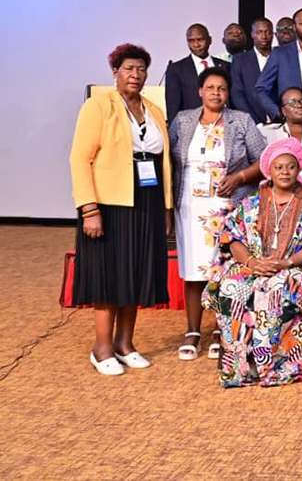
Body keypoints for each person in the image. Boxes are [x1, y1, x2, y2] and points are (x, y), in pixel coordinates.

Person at [70, 44, 173, 375]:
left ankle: (125, 343)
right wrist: (89, 208)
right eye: (129, 68)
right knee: (109, 274)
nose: (136, 75)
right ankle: (101, 348)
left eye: (141, 69)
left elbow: (165, 161)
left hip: (148, 200)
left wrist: (167, 209)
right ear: (115, 72)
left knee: (138, 271)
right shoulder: (98, 106)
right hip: (109, 204)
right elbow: (79, 158)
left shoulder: (154, 109)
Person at [203, 138, 302, 387]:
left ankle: (276, 365)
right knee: (232, 286)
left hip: (297, 267)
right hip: (253, 266)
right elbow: (232, 239)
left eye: (291, 166)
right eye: (279, 167)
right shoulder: (252, 201)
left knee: (275, 289)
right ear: (269, 171)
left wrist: (286, 263)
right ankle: (241, 366)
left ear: (299, 169)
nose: (285, 172)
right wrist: (252, 263)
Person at [169, 66, 266, 361]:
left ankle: (219, 329)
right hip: (190, 205)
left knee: (224, 268)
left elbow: (264, 160)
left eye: (221, 88)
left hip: (229, 206)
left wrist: (239, 178)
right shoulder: (183, 120)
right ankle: (193, 330)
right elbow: (168, 161)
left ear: (228, 93)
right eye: (210, 87)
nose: (216, 93)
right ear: (200, 91)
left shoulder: (242, 121)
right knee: (194, 266)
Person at [164, 23, 230, 124]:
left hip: (225, 125)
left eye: (200, 40)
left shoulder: (226, 66)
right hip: (193, 128)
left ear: (210, 40)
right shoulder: (176, 69)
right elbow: (173, 107)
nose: (196, 45)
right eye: (191, 41)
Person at [230, 17, 274, 124]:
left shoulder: (280, 56)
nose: (264, 36)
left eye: (267, 32)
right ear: (252, 34)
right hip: (251, 121)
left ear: (272, 34)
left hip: (280, 121)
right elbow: (237, 93)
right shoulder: (240, 59)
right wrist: (253, 120)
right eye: (259, 32)